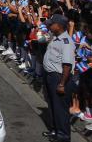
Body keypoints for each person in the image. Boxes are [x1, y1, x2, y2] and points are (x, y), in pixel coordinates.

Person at [42, 14, 76, 142]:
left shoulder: (66, 42)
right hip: (50, 76)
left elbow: (67, 65)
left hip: (60, 78)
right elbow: (45, 25)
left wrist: (62, 84)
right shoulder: (55, 37)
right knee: (52, 105)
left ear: (59, 26)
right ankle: (54, 131)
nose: (50, 25)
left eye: (52, 24)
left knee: (60, 109)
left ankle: (63, 136)